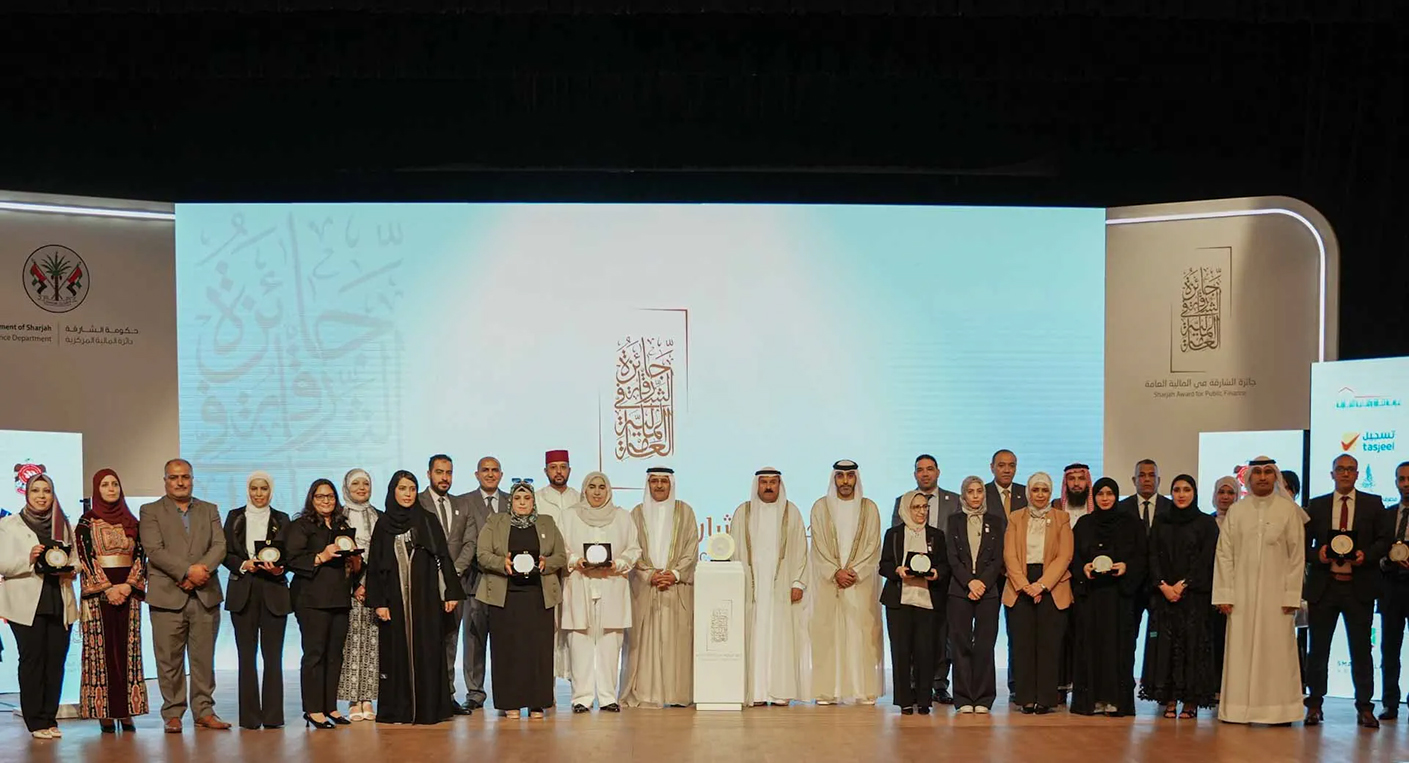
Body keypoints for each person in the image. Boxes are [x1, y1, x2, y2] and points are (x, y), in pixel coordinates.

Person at [365, 470, 465, 725]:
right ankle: (400, 710)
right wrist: (379, 602)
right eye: (402, 489)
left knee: (428, 650)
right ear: (393, 492)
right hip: (394, 600)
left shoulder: (427, 520)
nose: (408, 494)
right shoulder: (384, 524)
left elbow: (442, 556)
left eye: (411, 489)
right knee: (397, 653)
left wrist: (450, 592)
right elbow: (375, 565)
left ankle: (429, 709)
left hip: (426, 599)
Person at [1212, 456, 1306, 725]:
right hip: (1241, 598)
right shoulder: (1237, 512)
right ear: (1249, 477)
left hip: (1277, 599)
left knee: (1277, 653)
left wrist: (1291, 595)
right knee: (1240, 652)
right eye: (1257, 473)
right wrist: (1224, 594)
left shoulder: (1288, 511)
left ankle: (1280, 711)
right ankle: (1238, 709)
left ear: (1275, 476)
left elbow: (1296, 556)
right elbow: (1224, 555)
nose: (1263, 477)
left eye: (1268, 472)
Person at [140, 458, 231, 733]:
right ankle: (173, 713)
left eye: (185, 477)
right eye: (174, 477)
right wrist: (187, 572)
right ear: (165, 481)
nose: (180, 482)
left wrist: (202, 571)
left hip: (205, 594)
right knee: (169, 660)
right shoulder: (150, 511)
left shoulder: (209, 509)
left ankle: (204, 711)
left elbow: (219, 545)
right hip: (167, 596)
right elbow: (154, 550)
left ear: (192, 479)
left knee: (203, 659)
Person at [1303, 453, 1391, 729]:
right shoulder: (1316, 505)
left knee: (1361, 650)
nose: (1344, 473)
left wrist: (1367, 555)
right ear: (1332, 474)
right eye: (1340, 469)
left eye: (1350, 469)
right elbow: (1302, 545)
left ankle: (1365, 707)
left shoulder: (1373, 504)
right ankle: (1314, 704)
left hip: (1358, 587)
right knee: (1318, 650)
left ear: (1357, 474)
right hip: (1324, 587)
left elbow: (1385, 540)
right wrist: (1318, 555)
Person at [476, 481, 568, 719]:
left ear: (533, 501)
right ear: (511, 501)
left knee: (538, 651)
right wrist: (502, 563)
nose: (523, 503)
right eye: (518, 499)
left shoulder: (546, 522)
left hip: (538, 597)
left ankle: (537, 702)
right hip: (506, 598)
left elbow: (561, 555)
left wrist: (547, 563)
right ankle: (511, 702)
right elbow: (482, 554)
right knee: (508, 650)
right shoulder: (496, 522)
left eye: (527, 499)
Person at [0, 474, 78, 739]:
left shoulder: (62, 525)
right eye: (36, 490)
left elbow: (76, 559)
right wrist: (29, 558)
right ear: (27, 494)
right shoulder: (9, 524)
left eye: (46, 491)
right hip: (26, 605)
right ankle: (35, 722)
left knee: (55, 661)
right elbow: (3, 564)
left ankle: (49, 718)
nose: (42, 496)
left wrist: (71, 570)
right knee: (32, 661)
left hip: (59, 601)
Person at [75, 468, 149, 732]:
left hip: (127, 592)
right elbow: (86, 558)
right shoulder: (86, 522)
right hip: (100, 596)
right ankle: (104, 712)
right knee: (101, 653)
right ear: (97, 489)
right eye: (105, 484)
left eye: (114, 484)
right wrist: (107, 588)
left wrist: (128, 586)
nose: (110, 489)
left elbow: (141, 556)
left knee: (127, 651)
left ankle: (127, 710)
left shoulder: (132, 522)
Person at [560, 471, 641, 712]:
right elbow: (560, 548)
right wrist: (575, 561)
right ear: (584, 489)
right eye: (592, 486)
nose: (597, 492)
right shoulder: (569, 516)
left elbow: (634, 549)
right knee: (579, 644)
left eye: (601, 487)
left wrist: (619, 563)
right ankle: (581, 698)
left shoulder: (622, 517)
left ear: (608, 490)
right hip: (580, 583)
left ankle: (607, 698)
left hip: (611, 583)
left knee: (610, 644)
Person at [1141, 474, 1219, 719]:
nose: (1181, 494)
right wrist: (1163, 585)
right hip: (1164, 597)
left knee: (1192, 647)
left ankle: (1190, 701)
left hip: (1194, 598)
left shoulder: (1206, 523)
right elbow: (1152, 555)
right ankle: (1169, 698)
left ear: (1194, 493)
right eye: (1176, 490)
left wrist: (1184, 584)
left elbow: (1207, 559)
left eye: (1186, 489)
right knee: (1166, 647)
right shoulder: (1162, 521)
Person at [731, 467, 810, 706]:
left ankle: (779, 692)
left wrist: (798, 582)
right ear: (757, 485)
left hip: (782, 587)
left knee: (780, 637)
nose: (768, 486)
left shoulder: (791, 512)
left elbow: (801, 549)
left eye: (772, 482)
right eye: (763, 482)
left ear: (779, 485)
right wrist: (736, 582)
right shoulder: (743, 512)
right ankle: (755, 692)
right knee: (754, 636)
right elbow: (734, 550)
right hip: (751, 587)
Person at [621, 466, 699, 708]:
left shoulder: (685, 512)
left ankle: (677, 694)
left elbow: (691, 549)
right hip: (645, 587)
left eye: (663, 481)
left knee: (677, 641)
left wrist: (674, 574)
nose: (659, 486)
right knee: (644, 643)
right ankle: (646, 693)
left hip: (676, 588)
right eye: (654, 481)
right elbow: (630, 549)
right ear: (648, 484)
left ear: (671, 484)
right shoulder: (636, 513)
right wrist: (649, 574)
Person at [285, 479, 359, 728]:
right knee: (314, 654)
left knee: (335, 655)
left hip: (339, 597)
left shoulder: (341, 525)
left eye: (330, 496)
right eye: (320, 496)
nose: (326, 501)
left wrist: (356, 562)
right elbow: (292, 559)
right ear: (311, 499)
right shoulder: (300, 525)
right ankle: (313, 709)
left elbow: (350, 561)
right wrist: (321, 556)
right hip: (311, 599)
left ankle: (330, 707)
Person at [1069, 476, 1145, 717]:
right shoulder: (1084, 524)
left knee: (1118, 648)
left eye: (1109, 494)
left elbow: (1142, 556)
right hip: (1091, 597)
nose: (1105, 498)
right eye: (1100, 494)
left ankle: (1115, 700)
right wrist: (1083, 568)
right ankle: (1090, 701)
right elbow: (1073, 556)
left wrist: (1126, 567)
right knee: (1089, 647)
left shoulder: (1131, 524)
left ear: (1116, 496)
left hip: (1119, 597)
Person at [809, 460, 884, 705]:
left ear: (856, 478)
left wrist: (854, 572)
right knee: (828, 636)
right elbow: (818, 545)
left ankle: (863, 689)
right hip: (829, 583)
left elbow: (873, 545)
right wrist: (835, 572)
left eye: (850, 476)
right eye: (840, 476)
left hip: (860, 584)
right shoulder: (820, 508)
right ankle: (828, 690)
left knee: (861, 635)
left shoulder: (869, 508)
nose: (845, 481)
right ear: (834, 478)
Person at [221, 471, 291, 730]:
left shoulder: (282, 519)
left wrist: (279, 568)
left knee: (273, 658)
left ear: (271, 491)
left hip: (274, 591)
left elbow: (290, 553)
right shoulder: (235, 517)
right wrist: (243, 564)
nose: (259, 494)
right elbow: (225, 552)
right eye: (254, 488)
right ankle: (249, 718)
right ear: (247, 490)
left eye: (263, 489)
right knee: (246, 658)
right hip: (243, 591)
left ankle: (273, 717)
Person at [889, 454, 960, 704]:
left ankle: (939, 683)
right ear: (915, 474)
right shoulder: (902, 501)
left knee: (940, 637)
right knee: (909, 638)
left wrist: (941, 571)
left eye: (930, 469)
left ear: (938, 472)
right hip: (907, 586)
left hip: (942, 579)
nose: (925, 473)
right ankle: (913, 685)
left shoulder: (955, 501)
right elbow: (895, 546)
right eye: (920, 470)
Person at [1002, 472, 1073, 714]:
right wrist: (1025, 586)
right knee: (1022, 644)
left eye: (1044, 490)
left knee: (1048, 645)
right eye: (1035, 490)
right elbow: (1009, 555)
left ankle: (1045, 698)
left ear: (1050, 493)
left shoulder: (1062, 518)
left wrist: (1041, 585)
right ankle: (1025, 698)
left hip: (1052, 585)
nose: (1040, 495)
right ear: (1028, 492)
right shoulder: (1015, 518)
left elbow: (1065, 555)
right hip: (1020, 585)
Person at [417, 454, 477, 714]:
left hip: (455, 584)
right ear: (429, 474)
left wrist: (453, 572)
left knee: (450, 641)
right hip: (425, 583)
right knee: (426, 641)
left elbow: (470, 542)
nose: (444, 477)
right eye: (439, 472)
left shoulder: (462, 504)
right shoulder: (417, 502)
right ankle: (426, 696)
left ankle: (448, 695)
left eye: (448, 472)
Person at [880, 491, 945, 714]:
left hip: (927, 601)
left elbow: (944, 565)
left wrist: (936, 573)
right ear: (906, 509)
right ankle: (905, 700)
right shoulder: (893, 534)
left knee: (925, 652)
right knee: (901, 651)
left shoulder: (936, 535)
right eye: (916, 507)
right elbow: (884, 565)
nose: (921, 512)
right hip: (899, 601)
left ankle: (924, 699)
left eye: (925, 507)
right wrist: (897, 570)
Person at [946, 475, 1005, 714]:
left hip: (988, 591)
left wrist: (982, 583)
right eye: (970, 492)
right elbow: (952, 557)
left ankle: (983, 698)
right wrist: (969, 582)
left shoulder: (996, 521)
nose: (975, 496)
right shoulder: (954, 521)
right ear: (964, 495)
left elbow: (998, 558)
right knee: (960, 645)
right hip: (959, 591)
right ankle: (962, 698)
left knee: (984, 644)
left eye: (979, 491)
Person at [460, 455, 508, 711]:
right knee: (474, 641)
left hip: (505, 583)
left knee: (504, 641)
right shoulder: (464, 502)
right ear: (476, 474)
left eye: (495, 470)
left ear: (501, 474)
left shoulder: (513, 501)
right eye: (485, 470)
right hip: (474, 582)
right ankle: (475, 693)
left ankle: (506, 693)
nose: (490, 474)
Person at [338, 468, 381, 721]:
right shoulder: (339, 517)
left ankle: (369, 698)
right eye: (356, 484)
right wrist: (355, 585)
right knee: (351, 644)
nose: (361, 488)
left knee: (373, 644)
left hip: (375, 588)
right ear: (347, 487)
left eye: (366, 483)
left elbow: (383, 555)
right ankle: (354, 700)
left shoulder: (379, 516)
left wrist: (370, 584)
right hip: (347, 590)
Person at [537, 449, 580, 685]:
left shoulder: (580, 498)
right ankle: (547, 690)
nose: (559, 472)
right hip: (547, 574)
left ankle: (579, 691)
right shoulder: (536, 498)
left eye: (563, 467)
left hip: (575, 573)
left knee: (575, 630)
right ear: (546, 471)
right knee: (548, 630)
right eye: (554, 468)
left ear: (570, 470)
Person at [1053, 462, 1093, 703]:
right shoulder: (1056, 507)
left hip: (1088, 581)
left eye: (1081, 479)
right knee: (1061, 634)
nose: (1077, 484)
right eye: (1072, 479)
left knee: (1084, 634)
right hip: (1059, 580)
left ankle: (1083, 686)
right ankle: (1059, 686)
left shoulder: (1095, 508)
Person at [1378, 461, 1409, 721]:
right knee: (1389, 649)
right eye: (1401, 479)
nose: (1406, 484)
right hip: (1391, 589)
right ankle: (1390, 703)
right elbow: (1376, 550)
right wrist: (1386, 561)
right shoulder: (1386, 515)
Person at [1209, 474, 1239, 693]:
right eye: (1221, 492)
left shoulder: (1242, 524)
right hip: (1209, 589)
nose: (1225, 497)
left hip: (1238, 590)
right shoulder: (1206, 522)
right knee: (1214, 639)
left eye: (1230, 493)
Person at [986, 449, 1027, 519]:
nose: (1007, 470)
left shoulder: (1026, 493)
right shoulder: (983, 493)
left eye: (1012, 466)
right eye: (1001, 465)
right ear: (992, 467)